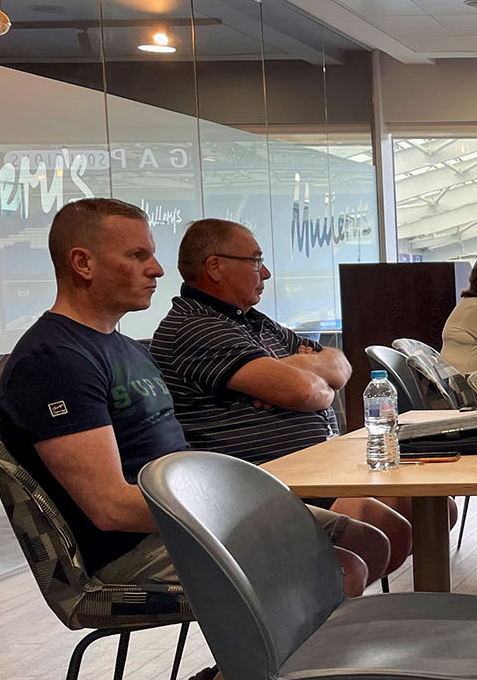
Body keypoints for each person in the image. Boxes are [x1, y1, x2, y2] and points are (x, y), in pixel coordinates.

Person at [0, 198, 312, 680]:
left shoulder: (125, 346)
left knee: (365, 539)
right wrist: (245, 503)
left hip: (189, 528)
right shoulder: (55, 360)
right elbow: (111, 507)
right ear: (83, 263)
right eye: (138, 255)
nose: (158, 270)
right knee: (329, 562)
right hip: (128, 554)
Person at [150, 218, 414, 580]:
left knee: (430, 509)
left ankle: (346, 619)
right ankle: (329, 624)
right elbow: (305, 391)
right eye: (256, 260)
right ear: (215, 266)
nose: (267, 273)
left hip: (316, 473)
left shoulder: (253, 322)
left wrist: (287, 368)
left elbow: (339, 366)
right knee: (383, 535)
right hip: (261, 487)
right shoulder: (194, 326)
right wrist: (300, 377)